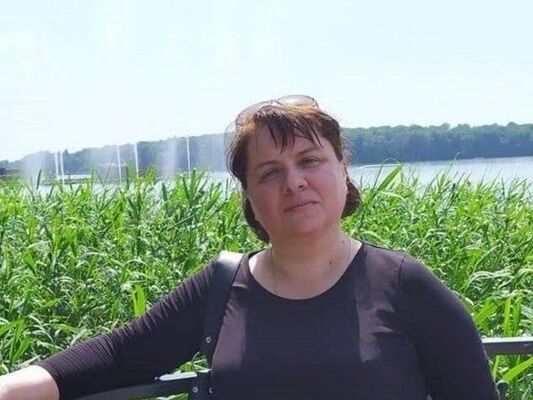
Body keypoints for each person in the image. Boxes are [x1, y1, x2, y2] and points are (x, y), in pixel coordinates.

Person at [0, 95, 498, 400]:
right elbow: (117, 356)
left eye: (310, 161)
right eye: (270, 172)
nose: (294, 182)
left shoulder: (406, 286)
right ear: (251, 200)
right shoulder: (222, 286)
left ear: (343, 172)